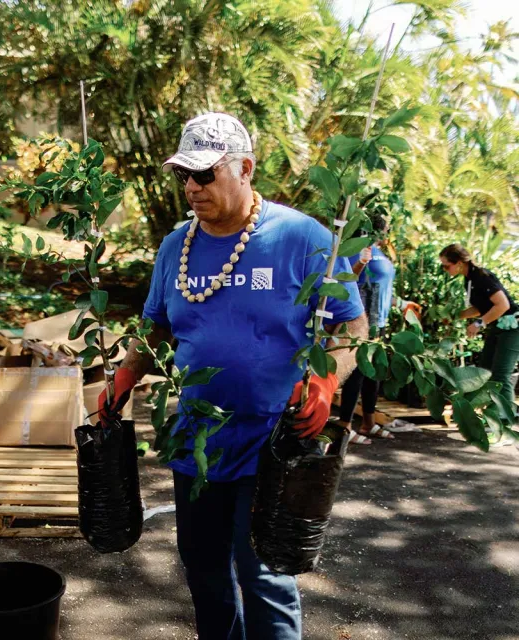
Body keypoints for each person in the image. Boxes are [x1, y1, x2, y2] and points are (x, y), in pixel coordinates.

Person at [99, 112, 368, 640]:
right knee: (203, 570)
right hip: (197, 440)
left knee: (263, 574)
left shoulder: (302, 238)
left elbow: (353, 325)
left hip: (274, 440)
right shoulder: (175, 246)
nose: (193, 188)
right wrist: (124, 378)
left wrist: (327, 379)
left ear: (245, 168)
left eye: (205, 175)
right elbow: (155, 326)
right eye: (185, 177)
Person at [337, 218, 420, 445]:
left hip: (379, 322)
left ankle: (368, 422)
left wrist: (402, 304)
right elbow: (346, 282)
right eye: (384, 230)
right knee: (357, 373)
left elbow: (383, 290)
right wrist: (361, 262)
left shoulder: (380, 254)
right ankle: (344, 426)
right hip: (362, 322)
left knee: (373, 374)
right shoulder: (358, 251)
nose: (386, 234)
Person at [439, 243, 519, 445]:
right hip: (498, 327)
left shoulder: (482, 276)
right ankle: (492, 419)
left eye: (446, 266)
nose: (444, 270)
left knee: (501, 375)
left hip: (512, 327)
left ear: (458, 263)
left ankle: (504, 428)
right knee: (486, 372)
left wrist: (479, 323)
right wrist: (455, 316)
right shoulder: (470, 278)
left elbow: (503, 305)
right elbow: (481, 307)